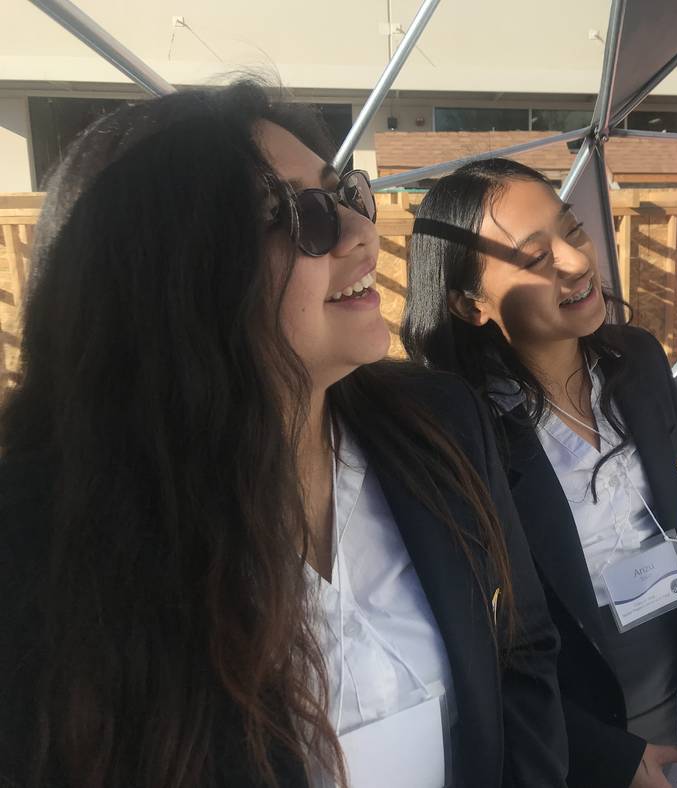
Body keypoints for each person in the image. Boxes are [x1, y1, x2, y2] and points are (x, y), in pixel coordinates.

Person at [0, 84, 567, 788]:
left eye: (346, 195)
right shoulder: (54, 550)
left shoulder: (442, 426)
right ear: (171, 277)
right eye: (298, 217)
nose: (363, 233)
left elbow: (522, 650)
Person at [402, 158, 677, 788]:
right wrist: (607, 758)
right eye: (536, 257)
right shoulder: (460, 433)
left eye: (573, 230)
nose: (575, 260)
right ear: (469, 302)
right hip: (573, 744)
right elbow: (481, 643)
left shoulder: (636, 361)